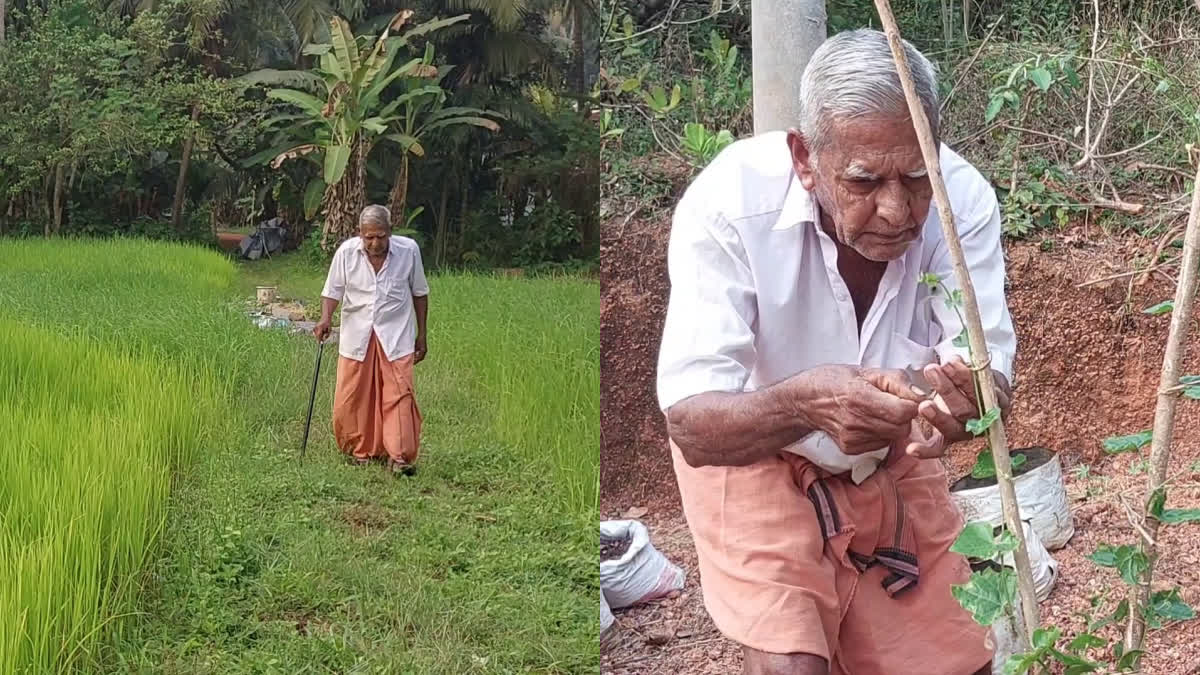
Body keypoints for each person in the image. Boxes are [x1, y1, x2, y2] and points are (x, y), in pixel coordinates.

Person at [656, 29, 1016, 675]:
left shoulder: (963, 203)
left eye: (915, 175)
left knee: (962, 663)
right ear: (803, 157)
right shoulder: (729, 206)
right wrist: (805, 403)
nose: (896, 209)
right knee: (793, 663)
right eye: (864, 180)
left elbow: (990, 383)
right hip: (753, 450)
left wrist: (969, 406)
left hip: (892, 458)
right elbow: (691, 423)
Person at [315, 204, 429, 476]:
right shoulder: (346, 253)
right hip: (357, 334)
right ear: (359, 233)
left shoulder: (409, 251)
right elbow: (333, 291)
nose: (375, 243)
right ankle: (360, 449)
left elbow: (420, 293)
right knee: (353, 395)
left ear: (391, 232)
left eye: (380, 236)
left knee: (399, 393)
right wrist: (325, 318)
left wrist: (421, 335)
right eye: (369, 237)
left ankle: (399, 456)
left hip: (396, 334)